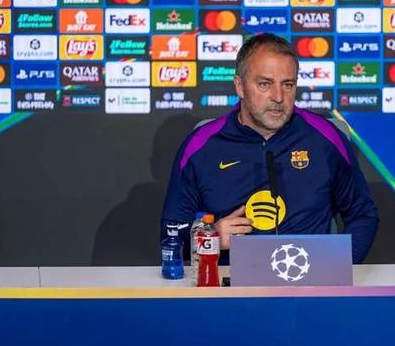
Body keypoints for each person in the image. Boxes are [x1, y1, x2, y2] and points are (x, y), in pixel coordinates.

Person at [160, 33, 379, 263]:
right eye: (265, 84)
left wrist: (337, 268)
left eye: (288, 85)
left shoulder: (325, 138)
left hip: (308, 280)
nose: (278, 97)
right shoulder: (201, 146)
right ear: (240, 86)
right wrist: (210, 238)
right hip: (230, 283)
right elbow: (170, 234)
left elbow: (363, 214)